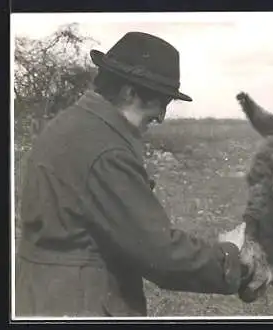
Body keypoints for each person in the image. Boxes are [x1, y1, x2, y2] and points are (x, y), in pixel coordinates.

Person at [15, 31, 248, 317]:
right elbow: (160, 254)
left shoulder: (69, 125)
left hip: (43, 295)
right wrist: (229, 256)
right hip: (82, 304)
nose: (161, 116)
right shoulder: (106, 150)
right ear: (129, 92)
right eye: (160, 102)